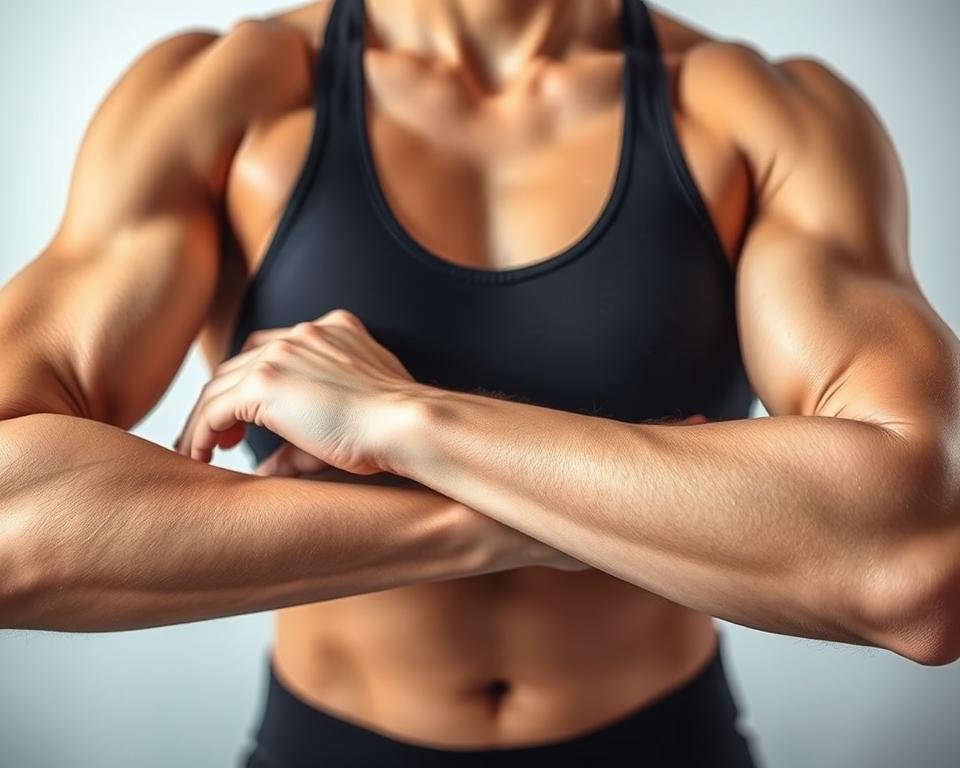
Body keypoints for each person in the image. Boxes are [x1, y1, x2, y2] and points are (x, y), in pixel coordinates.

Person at [1, 1, 958, 766]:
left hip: (666, 742)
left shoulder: (757, 113)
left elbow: (922, 557)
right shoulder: (228, 96)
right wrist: (537, 522)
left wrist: (404, 420)